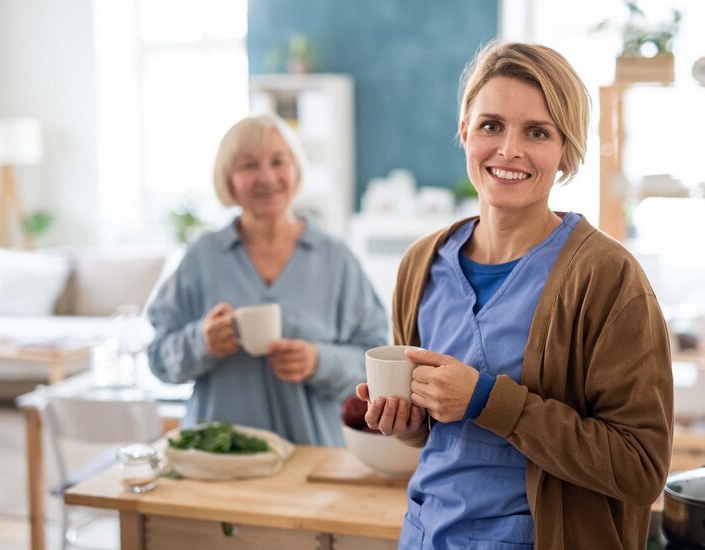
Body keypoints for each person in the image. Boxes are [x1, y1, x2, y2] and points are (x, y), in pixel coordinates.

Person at [357, 42, 673, 548]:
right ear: (465, 131)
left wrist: (487, 400)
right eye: (491, 125)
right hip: (428, 535)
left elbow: (640, 468)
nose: (508, 150)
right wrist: (407, 421)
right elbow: (438, 439)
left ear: (566, 152)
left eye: (537, 132)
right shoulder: (421, 265)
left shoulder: (607, 277)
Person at [146, 113, 389, 447]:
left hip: (313, 454)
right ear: (228, 178)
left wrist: (318, 361)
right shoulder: (202, 257)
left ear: (295, 169)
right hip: (216, 454)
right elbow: (158, 359)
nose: (266, 177)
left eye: (278, 161)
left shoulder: (336, 259)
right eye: (248, 165)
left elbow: (376, 362)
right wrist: (201, 342)